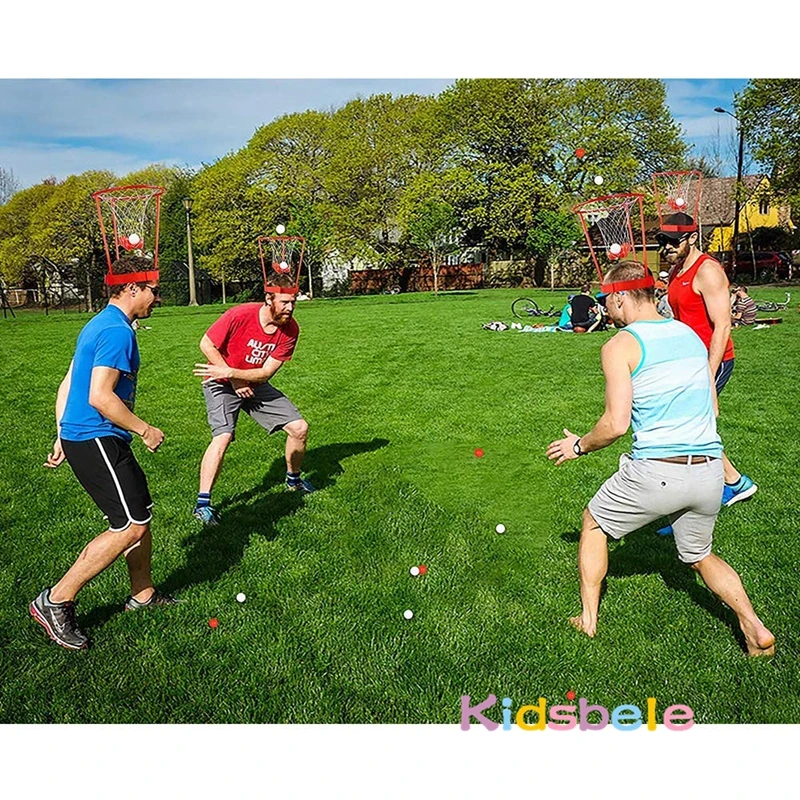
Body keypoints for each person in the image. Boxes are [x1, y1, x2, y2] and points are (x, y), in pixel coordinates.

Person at [546, 260, 774, 656]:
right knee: (700, 556)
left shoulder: (620, 345)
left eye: (606, 300)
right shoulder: (689, 334)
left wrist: (578, 445)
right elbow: (710, 400)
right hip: (709, 473)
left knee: (594, 524)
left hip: (657, 472)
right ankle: (754, 626)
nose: (606, 308)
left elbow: (615, 424)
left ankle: (587, 620)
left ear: (620, 298)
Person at [31, 255, 176, 651]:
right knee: (129, 525)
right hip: (96, 437)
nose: (157, 298)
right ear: (132, 288)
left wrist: (61, 432)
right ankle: (55, 600)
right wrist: (145, 429)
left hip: (87, 436)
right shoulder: (116, 332)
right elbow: (99, 396)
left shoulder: (101, 323)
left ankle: (143, 595)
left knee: (140, 514)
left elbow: (69, 381)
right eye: (153, 290)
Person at [192, 272, 314, 525]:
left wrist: (237, 377)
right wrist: (233, 380)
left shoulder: (290, 330)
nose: (290, 308)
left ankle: (293, 480)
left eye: (293, 302)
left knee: (299, 428)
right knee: (223, 436)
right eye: (284, 302)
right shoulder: (240, 315)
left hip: (253, 383)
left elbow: (266, 372)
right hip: (220, 382)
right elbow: (206, 344)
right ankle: (202, 504)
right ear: (269, 299)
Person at [658, 212, 756, 508]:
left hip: (713, 361)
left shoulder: (708, 271)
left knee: (688, 426)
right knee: (684, 426)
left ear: (692, 238)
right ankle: (728, 484)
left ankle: (732, 483)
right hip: (689, 361)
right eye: (663, 241)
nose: (667, 247)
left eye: (674, 241)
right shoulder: (677, 270)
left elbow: (723, 326)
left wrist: (708, 377)